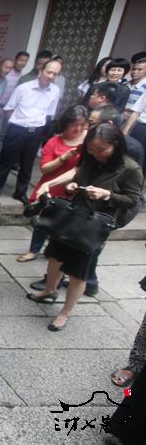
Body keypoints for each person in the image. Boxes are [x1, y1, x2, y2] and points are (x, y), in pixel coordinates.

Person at [28, 123, 143, 331]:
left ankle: (65, 312)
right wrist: (72, 186)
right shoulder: (89, 159)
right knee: (55, 257)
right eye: (90, 149)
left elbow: (132, 201)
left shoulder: (130, 168)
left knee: (78, 271)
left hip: (94, 225)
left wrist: (107, 195)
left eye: (101, 149)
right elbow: (77, 176)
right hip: (72, 216)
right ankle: (49, 291)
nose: (95, 153)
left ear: (116, 145)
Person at [15, 105, 89, 263]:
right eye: (74, 125)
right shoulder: (54, 141)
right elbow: (45, 168)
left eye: (82, 125)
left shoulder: (88, 141)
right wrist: (64, 158)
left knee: (65, 223)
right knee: (44, 220)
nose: (78, 129)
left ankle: (53, 251)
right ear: (65, 124)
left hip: (73, 189)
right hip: (52, 186)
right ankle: (34, 250)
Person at [0, 60, 62, 204]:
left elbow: (49, 113)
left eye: (55, 74)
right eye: (49, 72)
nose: (51, 76)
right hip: (17, 129)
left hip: (36, 131)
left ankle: (20, 192)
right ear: (41, 71)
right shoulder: (23, 88)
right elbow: (9, 109)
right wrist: (15, 126)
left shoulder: (55, 91)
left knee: (27, 164)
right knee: (6, 161)